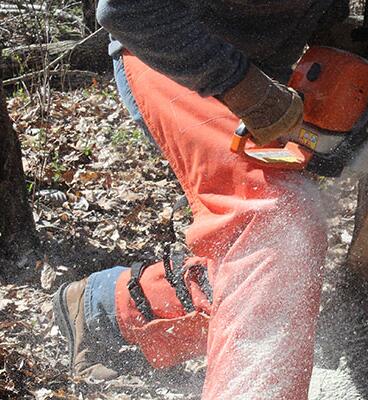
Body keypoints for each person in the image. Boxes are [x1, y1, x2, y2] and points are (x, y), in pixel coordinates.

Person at [52, 1, 349, 399]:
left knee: (273, 258)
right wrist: (243, 86)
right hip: (166, 49)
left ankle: (110, 308)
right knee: (276, 219)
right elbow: (125, 9)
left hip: (267, 75)